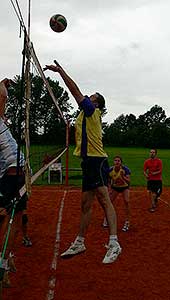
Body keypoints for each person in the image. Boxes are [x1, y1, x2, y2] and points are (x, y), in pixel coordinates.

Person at [44, 61, 121, 264]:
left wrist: (60, 72)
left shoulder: (90, 111)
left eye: (93, 96)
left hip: (96, 161)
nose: (89, 96)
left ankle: (114, 243)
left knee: (104, 200)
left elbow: (75, 90)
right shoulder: (84, 114)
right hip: (89, 162)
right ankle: (80, 241)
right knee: (85, 205)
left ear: (96, 103)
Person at [0, 78, 31, 287]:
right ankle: (2, 263)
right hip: (11, 176)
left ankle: (6, 257)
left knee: (18, 217)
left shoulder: (2, 122)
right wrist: (2, 83)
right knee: (6, 216)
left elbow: (3, 97)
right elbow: (2, 96)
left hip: (19, 174)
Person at [103, 156, 131, 232]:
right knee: (109, 202)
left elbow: (128, 181)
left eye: (118, 160)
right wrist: (109, 188)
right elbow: (108, 180)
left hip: (125, 187)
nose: (117, 162)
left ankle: (127, 222)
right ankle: (106, 218)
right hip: (115, 187)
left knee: (127, 201)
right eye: (115, 160)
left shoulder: (125, 170)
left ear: (121, 162)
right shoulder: (110, 170)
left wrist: (123, 177)